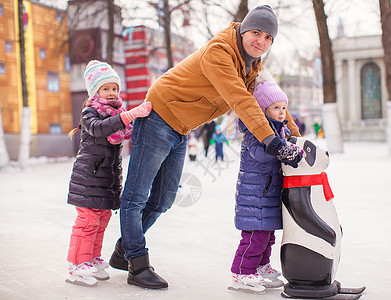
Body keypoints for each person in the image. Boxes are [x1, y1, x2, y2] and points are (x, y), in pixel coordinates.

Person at [109, 5, 303, 290]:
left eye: (268, 38)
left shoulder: (251, 66)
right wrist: (270, 141)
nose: (260, 41)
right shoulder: (219, 53)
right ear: (243, 30)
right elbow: (240, 100)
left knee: (162, 199)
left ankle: (124, 248)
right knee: (136, 197)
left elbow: (270, 103)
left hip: (181, 127)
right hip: (157, 117)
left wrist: (296, 139)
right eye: (256, 32)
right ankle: (136, 263)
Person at [65, 60, 152, 287]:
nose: (112, 93)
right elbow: (101, 129)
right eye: (106, 88)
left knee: (101, 220)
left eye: (115, 88)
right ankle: (77, 264)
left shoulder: (117, 114)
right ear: (95, 91)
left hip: (105, 179)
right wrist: (129, 116)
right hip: (89, 178)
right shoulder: (90, 112)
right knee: (87, 220)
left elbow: (119, 127)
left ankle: (91, 259)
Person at [229, 70, 303, 294]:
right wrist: (282, 150)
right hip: (255, 194)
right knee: (254, 238)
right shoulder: (255, 131)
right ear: (263, 109)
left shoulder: (280, 130)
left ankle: (260, 267)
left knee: (268, 235)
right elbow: (260, 155)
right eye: (276, 108)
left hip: (267, 192)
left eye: (283, 108)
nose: (282, 113)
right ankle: (241, 273)